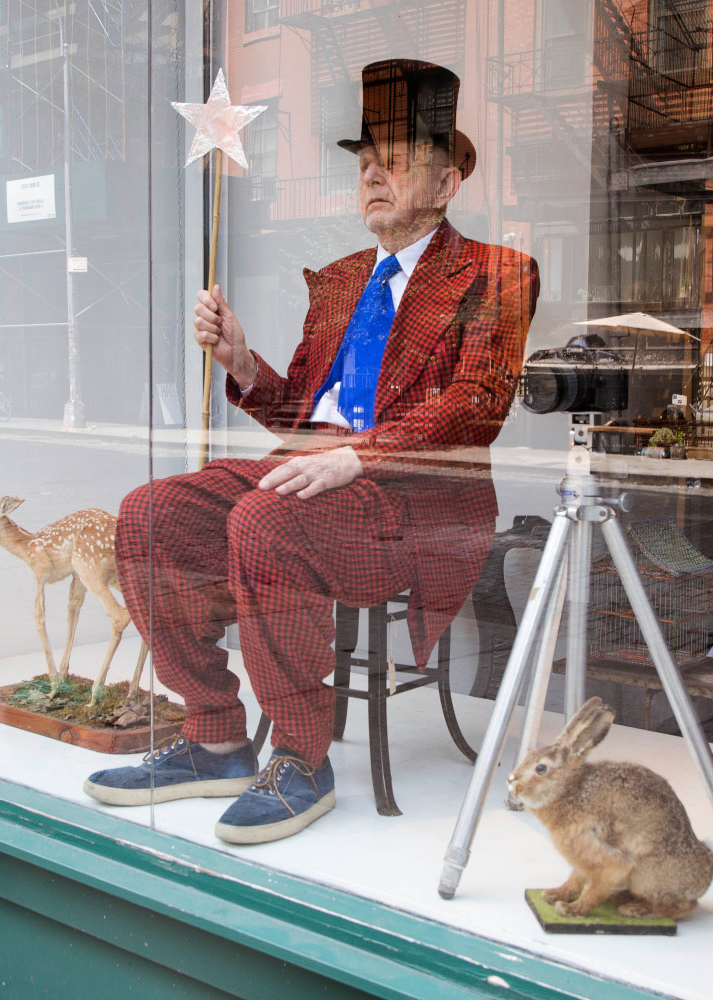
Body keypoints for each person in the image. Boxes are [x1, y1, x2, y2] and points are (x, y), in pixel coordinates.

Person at [84, 59, 540, 845]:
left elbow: (478, 405)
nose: (370, 176)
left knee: (264, 518)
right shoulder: (337, 281)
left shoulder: (498, 274)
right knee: (150, 513)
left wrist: (358, 457)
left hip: (409, 499)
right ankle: (216, 737)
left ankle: (301, 759)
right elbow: (299, 412)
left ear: (444, 182)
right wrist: (242, 364)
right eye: (363, 163)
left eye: (393, 163)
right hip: (313, 476)